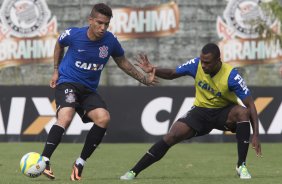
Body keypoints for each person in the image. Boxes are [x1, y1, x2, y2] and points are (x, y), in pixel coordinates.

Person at [41, 3, 157, 181]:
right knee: (66, 115)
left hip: (88, 90)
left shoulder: (110, 41)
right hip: (68, 83)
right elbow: (59, 44)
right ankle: (44, 160)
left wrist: (143, 79)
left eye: (106, 24)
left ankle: (80, 162)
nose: (103, 28)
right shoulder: (74, 34)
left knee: (103, 118)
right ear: (91, 20)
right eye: (100, 23)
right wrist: (56, 70)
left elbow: (122, 62)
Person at [120, 43, 262, 180]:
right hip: (200, 112)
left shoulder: (232, 76)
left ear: (218, 61)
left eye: (207, 62)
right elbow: (172, 73)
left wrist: (255, 134)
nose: (203, 65)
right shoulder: (196, 64)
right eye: (202, 61)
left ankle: (241, 165)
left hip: (223, 113)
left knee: (242, 112)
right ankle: (133, 171)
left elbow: (251, 105)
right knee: (172, 135)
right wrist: (154, 69)